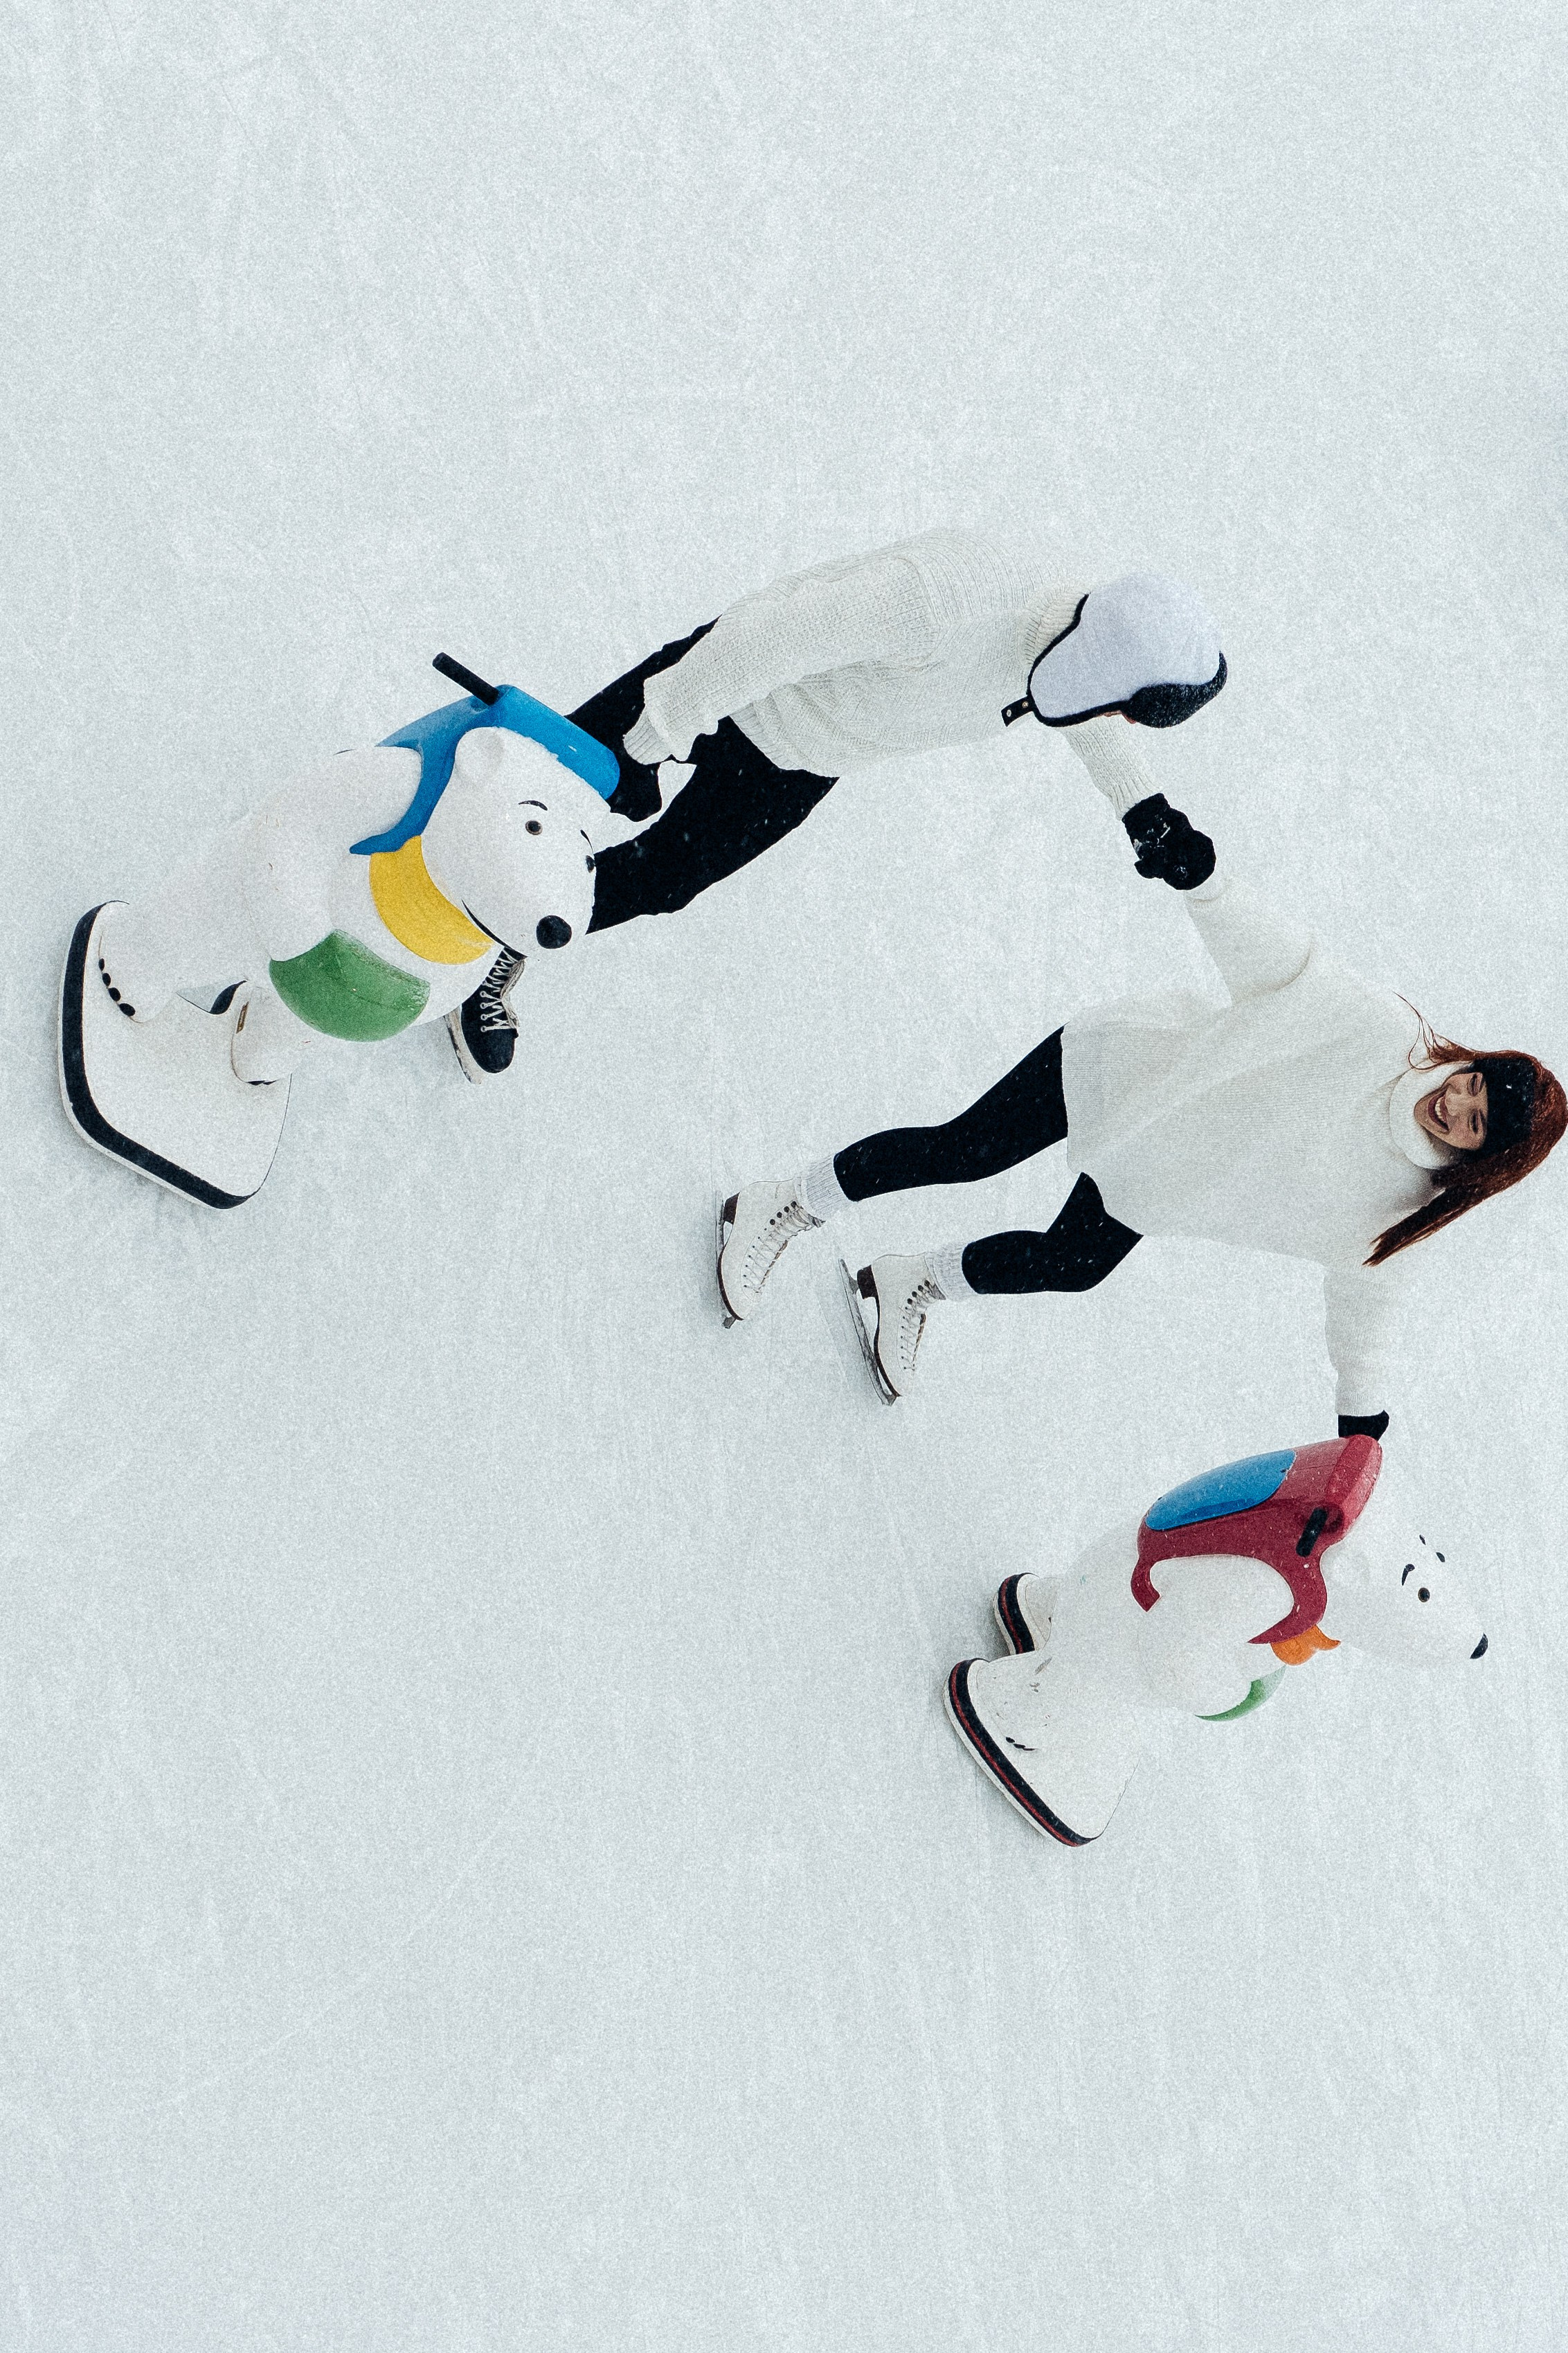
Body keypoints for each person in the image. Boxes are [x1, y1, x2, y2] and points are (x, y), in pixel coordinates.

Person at [715, 829, 1565, 1429]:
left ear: (1479, 1158)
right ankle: (783, 1202)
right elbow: (1282, 956)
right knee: (965, 1149)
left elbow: (1368, 1309)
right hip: (1125, 1071)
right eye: (1471, 1084)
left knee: (1074, 1263)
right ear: (1469, 1063)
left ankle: (914, 1282)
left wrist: (1362, 1418)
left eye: (1475, 1124)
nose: (1455, 1105)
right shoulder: (1379, 1029)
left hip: (1158, 1174)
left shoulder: (1399, 1211)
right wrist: (1206, 879)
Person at [447, 531, 1227, 1076]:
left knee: (662, 878)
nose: (1121, 720)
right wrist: (656, 733)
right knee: (549, 797)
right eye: (1129, 705)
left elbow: (1084, 708)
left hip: (803, 758)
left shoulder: (1071, 645)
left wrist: (1142, 807)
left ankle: (499, 940)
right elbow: (766, 638)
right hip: (727, 681)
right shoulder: (945, 601)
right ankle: (419, 854)